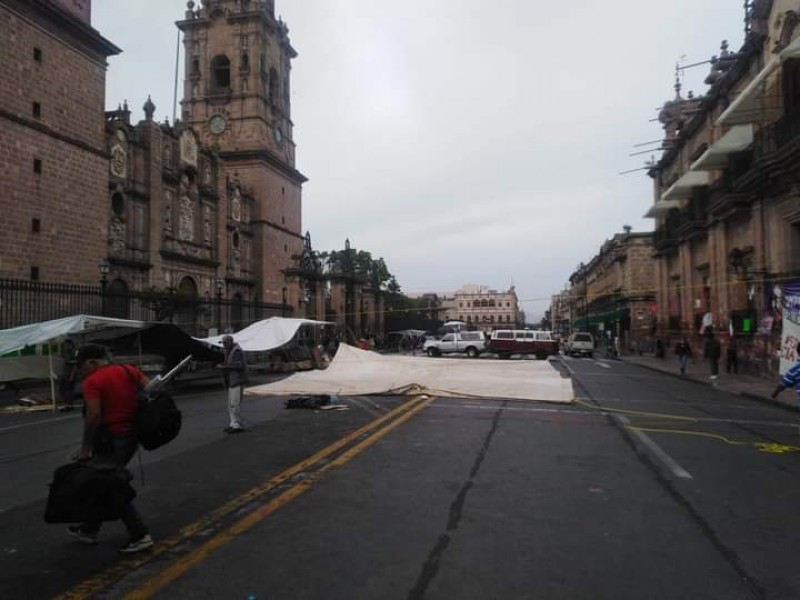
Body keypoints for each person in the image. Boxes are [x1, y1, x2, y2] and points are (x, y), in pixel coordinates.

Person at [67, 343, 153, 553]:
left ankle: (139, 533)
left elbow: (94, 415)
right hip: (132, 436)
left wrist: (86, 448)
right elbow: (152, 390)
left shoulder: (92, 381)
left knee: (111, 484)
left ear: (92, 362)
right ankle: (89, 529)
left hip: (111, 439)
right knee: (103, 481)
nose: (79, 371)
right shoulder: (129, 370)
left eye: (80, 366)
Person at [218, 335, 249, 434]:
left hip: (237, 380)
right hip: (232, 381)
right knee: (230, 405)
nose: (223, 345)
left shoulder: (236, 351)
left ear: (230, 342)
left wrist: (224, 367)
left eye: (225, 343)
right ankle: (233, 424)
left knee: (235, 404)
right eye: (223, 343)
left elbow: (238, 365)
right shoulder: (229, 351)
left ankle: (237, 425)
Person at [770, 341, 800, 406]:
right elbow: (785, 382)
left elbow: (784, 383)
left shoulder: (795, 369)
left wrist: (775, 394)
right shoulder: (796, 368)